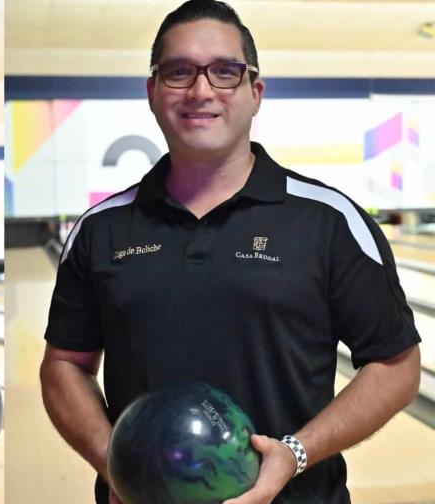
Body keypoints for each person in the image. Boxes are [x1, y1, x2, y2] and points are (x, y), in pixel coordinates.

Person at [39, 1, 422, 503]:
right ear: (152, 93)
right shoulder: (99, 230)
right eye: (179, 73)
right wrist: (113, 460)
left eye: (225, 72)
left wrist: (296, 452)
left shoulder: (329, 221)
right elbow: (64, 364)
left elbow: (397, 365)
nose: (201, 90)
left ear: (254, 92)